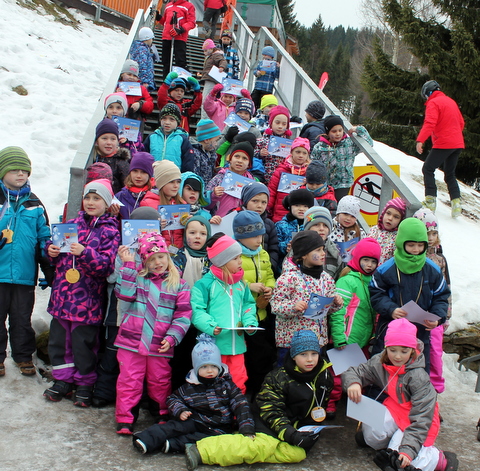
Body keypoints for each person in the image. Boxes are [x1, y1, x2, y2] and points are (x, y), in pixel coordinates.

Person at [343, 318, 459, 471]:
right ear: (386, 348)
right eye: (392, 350)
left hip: (418, 419)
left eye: (404, 351)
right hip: (395, 410)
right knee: (371, 435)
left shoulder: (418, 377)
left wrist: (408, 450)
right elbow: (356, 371)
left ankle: (438, 459)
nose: (397, 356)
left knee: (404, 461)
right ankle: (392, 442)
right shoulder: (380, 361)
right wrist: (353, 383)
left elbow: (422, 418)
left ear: (412, 350)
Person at [43, 179, 120, 407]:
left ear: (107, 203)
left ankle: (85, 382)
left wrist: (86, 253)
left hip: (87, 301)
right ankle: (62, 380)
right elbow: (52, 255)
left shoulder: (111, 230)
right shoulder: (71, 224)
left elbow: (107, 266)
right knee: (59, 342)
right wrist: (51, 251)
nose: (90, 202)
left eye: (97, 198)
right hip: (62, 297)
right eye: (87, 197)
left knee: (83, 344)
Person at [114, 232, 191, 434]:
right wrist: (129, 266)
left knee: (160, 380)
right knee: (129, 379)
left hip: (159, 343)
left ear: (168, 257)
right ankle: (125, 418)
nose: (157, 262)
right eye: (151, 258)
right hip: (132, 341)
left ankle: (161, 413)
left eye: (161, 256)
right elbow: (124, 294)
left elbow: (183, 315)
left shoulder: (179, 284)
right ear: (144, 261)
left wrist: (172, 336)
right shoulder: (138, 279)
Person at [132, 333, 255, 453]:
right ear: (196, 368)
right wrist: (180, 410)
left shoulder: (227, 385)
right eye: (204, 367)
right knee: (173, 426)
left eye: (213, 366)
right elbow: (173, 399)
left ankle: (171, 444)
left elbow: (241, 405)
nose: (210, 371)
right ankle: (146, 439)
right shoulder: (190, 386)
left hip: (219, 427)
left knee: (204, 441)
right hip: (195, 420)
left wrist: (247, 429)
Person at [92, 206, 161, 409]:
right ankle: (105, 390)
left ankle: (143, 396)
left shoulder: (160, 252)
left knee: (143, 355)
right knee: (113, 349)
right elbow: (111, 278)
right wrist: (124, 261)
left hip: (147, 315)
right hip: (120, 311)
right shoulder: (123, 249)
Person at [369, 218, 450, 371]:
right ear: (401, 243)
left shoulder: (432, 269)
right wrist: (391, 309)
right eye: (411, 245)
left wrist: (437, 317)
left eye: (420, 245)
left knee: (417, 372)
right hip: (391, 329)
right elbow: (376, 293)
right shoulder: (386, 269)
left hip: (420, 332)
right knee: (385, 371)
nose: (415, 250)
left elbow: (441, 296)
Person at [0, 147, 52, 377]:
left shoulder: (35, 203)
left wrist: (49, 262)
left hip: (24, 273)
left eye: (25, 170)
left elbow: (44, 237)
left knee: (22, 318)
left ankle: (23, 356)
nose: (21, 174)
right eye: (15, 170)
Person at [191, 234, 258, 393]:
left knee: (239, 379)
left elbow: (248, 305)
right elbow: (196, 310)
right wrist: (210, 325)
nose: (240, 261)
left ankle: (237, 412)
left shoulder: (241, 284)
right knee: (213, 381)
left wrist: (250, 322)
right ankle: (217, 413)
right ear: (222, 261)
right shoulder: (204, 284)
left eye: (239, 257)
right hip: (213, 347)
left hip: (237, 346)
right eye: (235, 258)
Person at [327, 237, 381, 418]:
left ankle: (356, 405)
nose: (369, 265)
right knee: (336, 374)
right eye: (365, 260)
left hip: (363, 338)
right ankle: (330, 403)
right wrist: (339, 335)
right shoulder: (347, 281)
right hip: (347, 336)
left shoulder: (372, 282)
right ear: (357, 258)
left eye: (373, 261)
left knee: (360, 373)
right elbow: (337, 311)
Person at [255, 329, 334, 450]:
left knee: (298, 452)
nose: (310, 359)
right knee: (263, 448)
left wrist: (311, 429)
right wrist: (290, 434)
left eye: (314, 353)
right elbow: (271, 410)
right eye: (303, 354)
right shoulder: (277, 378)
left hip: (302, 428)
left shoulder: (325, 376)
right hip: (274, 426)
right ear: (293, 356)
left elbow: (321, 404)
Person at [271, 231, 342, 365]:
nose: (323, 253)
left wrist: (335, 303)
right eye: (318, 250)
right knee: (289, 378)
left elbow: (325, 309)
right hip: (291, 342)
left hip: (317, 341)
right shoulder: (288, 278)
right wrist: (293, 306)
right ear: (304, 254)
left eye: (323, 249)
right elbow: (275, 305)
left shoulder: (326, 278)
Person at [232, 211, 276, 396]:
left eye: (261, 235)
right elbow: (231, 280)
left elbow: (271, 276)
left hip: (262, 313)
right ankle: (246, 391)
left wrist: (269, 289)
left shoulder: (263, 254)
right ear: (241, 236)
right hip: (242, 317)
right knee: (246, 358)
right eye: (254, 236)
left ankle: (260, 391)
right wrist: (251, 286)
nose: (259, 240)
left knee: (262, 356)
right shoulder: (234, 255)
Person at [413, 208, 451, 394]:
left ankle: (434, 393)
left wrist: (445, 316)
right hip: (412, 313)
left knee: (435, 354)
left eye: (434, 233)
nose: (430, 237)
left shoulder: (440, 259)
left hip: (433, 317)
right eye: (426, 233)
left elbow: (447, 289)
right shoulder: (409, 256)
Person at [416, 80, 464, 218]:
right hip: (457, 143)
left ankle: (430, 201)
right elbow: (461, 122)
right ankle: (456, 204)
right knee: (450, 173)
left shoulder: (433, 103)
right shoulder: (451, 101)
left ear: (429, 93)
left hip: (444, 142)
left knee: (428, 169)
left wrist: (420, 140)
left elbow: (430, 122)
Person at [311, 115, 373, 202]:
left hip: (343, 183)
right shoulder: (320, 147)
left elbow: (369, 143)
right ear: (327, 132)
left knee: (339, 205)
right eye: (334, 131)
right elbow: (313, 164)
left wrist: (358, 129)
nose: (338, 134)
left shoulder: (349, 144)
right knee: (327, 205)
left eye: (340, 130)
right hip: (325, 184)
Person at [141, 160, 186, 249]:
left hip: (179, 252)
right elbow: (142, 233)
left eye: (178, 181)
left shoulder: (182, 203)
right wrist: (156, 227)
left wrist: (189, 223)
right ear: (162, 183)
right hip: (158, 252)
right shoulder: (147, 204)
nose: (176, 186)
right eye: (171, 182)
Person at [267, 137, 311, 223]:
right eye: (297, 152)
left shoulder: (310, 173)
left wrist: (307, 185)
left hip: (302, 215)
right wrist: (268, 209)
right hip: (280, 213)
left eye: (304, 153)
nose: (301, 155)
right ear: (291, 152)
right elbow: (272, 191)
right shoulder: (281, 170)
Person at [206, 142, 255, 217]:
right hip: (219, 221)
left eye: (244, 158)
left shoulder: (252, 183)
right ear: (230, 159)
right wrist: (213, 195)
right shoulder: (219, 178)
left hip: (241, 222)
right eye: (237, 156)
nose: (240, 161)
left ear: (249, 164)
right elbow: (205, 204)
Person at [240, 181, 279, 275]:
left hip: (264, 271)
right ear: (246, 201)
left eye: (264, 202)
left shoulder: (269, 224)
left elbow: (274, 248)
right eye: (255, 201)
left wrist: (270, 265)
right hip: (241, 270)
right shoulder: (235, 219)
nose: (259, 206)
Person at [144, 103, 195, 172]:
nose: (167, 122)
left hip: (174, 179)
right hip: (153, 178)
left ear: (178, 122)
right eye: (164, 118)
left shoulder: (182, 139)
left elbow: (188, 162)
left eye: (172, 119)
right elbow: (144, 157)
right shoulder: (152, 137)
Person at [157, 0, 196, 77]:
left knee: (180, 61)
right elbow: (165, 21)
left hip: (179, 38)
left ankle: (180, 82)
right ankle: (166, 81)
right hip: (166, 37)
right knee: (166, 61)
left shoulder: (189, 6)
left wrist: (181, 29)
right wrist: (159, 18)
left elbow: (192, 22)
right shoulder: (168, 5)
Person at [255, 105, 292, 182]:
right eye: (277, 123)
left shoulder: (290, 144)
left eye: (284, 124)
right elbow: (252, 155)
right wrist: (260, 154)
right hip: (264, 178)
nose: (280, 126)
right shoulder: (261, 141)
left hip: (282, 179)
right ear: (271, 123)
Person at [94, 118, 131, 194]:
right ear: (97, 141)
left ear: (118, 141)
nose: (109, 142)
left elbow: (127, 189)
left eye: (113, 139)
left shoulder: (121, 163)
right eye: (104, 138)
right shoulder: (93, 159)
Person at [114, 152, 155, 220]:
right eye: (135, 171)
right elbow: (111, 224)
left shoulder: (156, 195)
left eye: (143, 172)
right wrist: (114, 215)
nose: (138, 176)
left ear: (149, 175)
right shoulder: (119, 197)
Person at [275, 188, 314, 258]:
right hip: (285, 264)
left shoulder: (312, 225)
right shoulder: (280, 225)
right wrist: (286, 246)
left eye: (305, 206)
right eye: (297, 205)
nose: (301, 209)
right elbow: (275, 245)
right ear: (290, 206)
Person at [368, 197, 407, 265]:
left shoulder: (398, 238)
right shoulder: (374, 230)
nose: (390, 218)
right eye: (388, 213)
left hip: (384, 273)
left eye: (396, 217)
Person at [199, 39, 227, 119]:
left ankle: (205, 118)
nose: (205, 52)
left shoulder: (215, 55)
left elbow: (223, 61)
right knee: (207, 98)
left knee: (206, 100)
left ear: (211, 48)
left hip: (211, 79)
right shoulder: (211, 56)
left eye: (206, 50)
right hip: (210, 78)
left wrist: (222, 67)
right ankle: (205, 118)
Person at [191, 119, 222, 184]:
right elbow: (195, 175)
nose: (216, 144)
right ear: (206, 140)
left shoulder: (210, 153)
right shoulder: (195, 154)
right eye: (215, 141)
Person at [251, 46, 280, 111]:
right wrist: (257, 73)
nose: (265, 57)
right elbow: (255, 71)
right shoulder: (261, 63)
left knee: (264, 104)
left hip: (267, 89)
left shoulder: (274, 65)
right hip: (258, 87)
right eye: (264, 55)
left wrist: (278, 68)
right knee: (254, 100)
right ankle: (253, 112)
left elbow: (276, 76)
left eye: (267, 55)